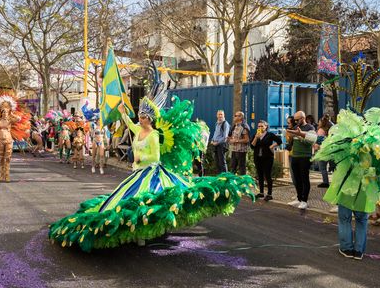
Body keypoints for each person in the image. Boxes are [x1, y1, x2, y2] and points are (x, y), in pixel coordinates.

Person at [49, 97, 256, 252]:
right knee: (126, 201)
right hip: (138, 172)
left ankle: (146, 233)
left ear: (150, 119)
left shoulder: (155, 134)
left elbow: (155, 157)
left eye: (142, 117)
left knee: (150, 201)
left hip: (151, 172)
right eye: (138, 116)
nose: (139, 119)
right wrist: (122, 112)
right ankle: (137, 232)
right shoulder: (138, 129)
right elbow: (129, 125)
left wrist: (139, 158)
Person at [314, 107, 380, 261]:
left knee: (345, 218)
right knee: (362, 220)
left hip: (349, 184)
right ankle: (358, 251)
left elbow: (334, 144)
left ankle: (346, 248)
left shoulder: (356, 133)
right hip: (367, 187)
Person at [285, 111, 317, 210]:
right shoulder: (295, 128)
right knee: (297, 179)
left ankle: (304, 201)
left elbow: (311, 142)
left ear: (303, 118)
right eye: (294, 120)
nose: (295, 121)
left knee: (304, 179)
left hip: (305, 157)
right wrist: (289, 138)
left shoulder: (310, 128)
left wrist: (300, 135)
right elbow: (292, 143)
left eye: (297, 120)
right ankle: (298, 198)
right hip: (295, 156)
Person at [250, 120, 282, 201]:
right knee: (260, 175)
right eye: (259, 126)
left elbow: (279, 141)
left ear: (266, 127)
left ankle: (269, 194)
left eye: (262, 126)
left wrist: (272, 146)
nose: (260, 127)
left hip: (267, 158)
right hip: (258, 158)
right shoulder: (256, 135)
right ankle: (261, 192)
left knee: (267, 175)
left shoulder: (270, 135)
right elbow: (252, 146)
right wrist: (256, 138)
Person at [315, 115, 333, 188]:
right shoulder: (331, 129)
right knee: (334, 168)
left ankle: (325, 182)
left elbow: (319, 142)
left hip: (323, 151)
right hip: (332, 150)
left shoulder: (320, 130)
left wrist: (316, 148)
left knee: (323, 168)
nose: (318, 123)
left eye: (319, 122)